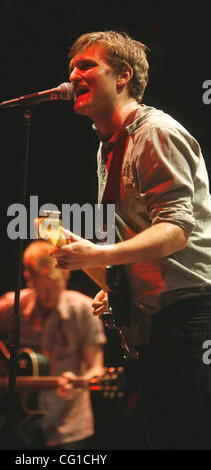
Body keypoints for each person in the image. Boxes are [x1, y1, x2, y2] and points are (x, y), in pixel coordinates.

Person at [51, 30, 211, 449]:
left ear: (123, 75)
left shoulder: (155, 132)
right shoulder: (109, 145)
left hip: (191, 320)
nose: (73, 74)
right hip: (156, 325)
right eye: (72, 67)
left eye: (87, 65)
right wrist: (113, 278)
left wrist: (101, 251)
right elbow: (142, 243)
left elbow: (176, 230)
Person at [0, 240, 106, 450]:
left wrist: (80, 382)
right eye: (41, 288)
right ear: (28, 278)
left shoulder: (83, 309)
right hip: (15, 426)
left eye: (54, 288)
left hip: (67, 426)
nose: (48, 297)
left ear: (66, 276)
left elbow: (96, 369)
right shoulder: (15, 304)